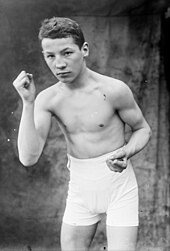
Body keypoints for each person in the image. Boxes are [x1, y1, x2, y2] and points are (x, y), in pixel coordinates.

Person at [13, 17, 151, 251]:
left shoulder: (114, 90)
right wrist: (28, 103)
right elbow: (29, 157)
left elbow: (142, 128)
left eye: (67, 53)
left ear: (84, 50)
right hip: (80, 189)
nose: (59, 64)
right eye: (50, 56)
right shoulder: (47, 99)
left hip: (119, 186)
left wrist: (127, 151)